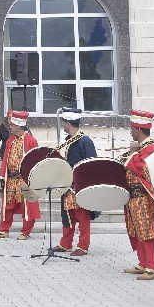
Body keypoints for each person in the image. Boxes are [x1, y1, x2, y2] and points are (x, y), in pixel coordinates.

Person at [122, 109, 154, 280]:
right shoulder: (142, 148)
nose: (130, 131)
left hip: (143, 196)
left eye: (132, 128)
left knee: (146, 231)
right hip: (133, 196)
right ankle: (143, 263)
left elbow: (142, 169)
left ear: (138, 129)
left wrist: (132, 154)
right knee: (137, 230)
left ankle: (152, 267)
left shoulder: (152, 148)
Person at [53, 109, 98, 257]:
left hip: (79, 185)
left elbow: (92, 164)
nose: (63, 126)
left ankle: (83, 246)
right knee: (67, 215)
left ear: (68, 123)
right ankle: (66, 243)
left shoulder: (85, 141)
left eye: (64, 123)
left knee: (82, 216)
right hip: (66, 185)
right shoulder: (67, 141)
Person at [0, 110, 40, 240]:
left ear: (18, 126)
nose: (9, 127)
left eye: (11, 125)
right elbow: (6, 158)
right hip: (11, 179)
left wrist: (29, 179)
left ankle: (25, 232)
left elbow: (35, 162)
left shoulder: (31, 141)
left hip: (24, 180)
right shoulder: (10, 140)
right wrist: (2, 176)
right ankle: (3, 230)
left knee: (26, 207)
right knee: (7, 205)